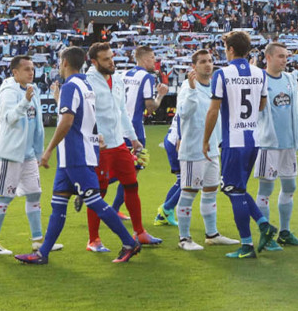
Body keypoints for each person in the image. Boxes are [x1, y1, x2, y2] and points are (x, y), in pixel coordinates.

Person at [15, 47, 141, 265]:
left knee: (95, 201)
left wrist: (48, 150)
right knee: (58, 203)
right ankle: (42, 253)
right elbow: (88, 117)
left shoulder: (70, 86)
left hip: (75, 154)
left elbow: (67, 121)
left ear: (64, 63)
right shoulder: (86, 85)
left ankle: (129, 241)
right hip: (73, 155)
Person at [202, 31, 278, 259]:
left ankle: (246, 244)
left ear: (231, 50)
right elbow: (262, 105)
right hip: (253, 139)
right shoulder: (260, 74)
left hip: (233, 141)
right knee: (239, 189)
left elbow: (214, 110)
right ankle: (264, 224)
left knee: (232, 190)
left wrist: (206, 140)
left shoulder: (222, 74)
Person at [85, 43, 161, 251]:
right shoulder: (87, 82)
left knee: (131, 184)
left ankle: (140, 232)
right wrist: (93, 137)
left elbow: (121, 112)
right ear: (94, 62)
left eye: (111, 57)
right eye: (106, 59)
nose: (111, 62)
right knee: (97, 194)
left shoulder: (117, 78)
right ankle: (94, 240)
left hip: (119, 143)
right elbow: (84, 114)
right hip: (99, 147)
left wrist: (134, 138)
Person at [0, 56, 61, 255]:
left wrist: (38, 152)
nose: (31, 73)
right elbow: (9, 118)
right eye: (27, 69)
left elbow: (37, 125)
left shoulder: (31, 90)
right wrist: (25, 101)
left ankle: (38, 241)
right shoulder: (8, 91)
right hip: (10, 154)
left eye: (33, 69)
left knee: (34, 193)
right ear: (15, 72)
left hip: (28, 155)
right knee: (4, 197)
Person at [174, 49, 238, 250]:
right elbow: (184, 113)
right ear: (194, 66)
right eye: (202, 62)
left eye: (210, 61)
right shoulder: (186, 87)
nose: (208, 64)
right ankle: (184, 238)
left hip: (212, 149)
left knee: (210, 191)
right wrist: (192, 90)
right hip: (193, 149)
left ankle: (212, 234)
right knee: (189, 192)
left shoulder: (214, 86)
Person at [254, 42, 298, 249]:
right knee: (266, 189)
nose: (285, 60)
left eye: (286, 56)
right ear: (268, 58)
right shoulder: (259, 79)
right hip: (268, 145)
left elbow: (296, 113)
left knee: (290, 186)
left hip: (288, 144)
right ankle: (266, 235)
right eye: (280, 56)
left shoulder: (289, 79)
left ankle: (284, 232)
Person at [122, 46, 169, 224]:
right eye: (152, 57)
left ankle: (111, 205)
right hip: (134, 129)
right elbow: (150, 108)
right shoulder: (147, 77)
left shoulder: (124, 74)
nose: (154, 61)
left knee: (123, 169)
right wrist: (160, 95)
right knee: (133, 172)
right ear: (143, 59)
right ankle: (95, 194)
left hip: (118, 127)